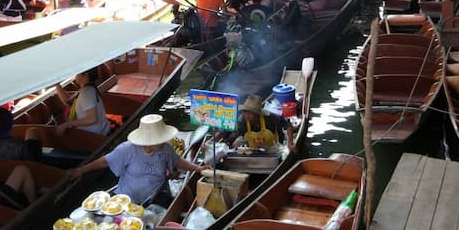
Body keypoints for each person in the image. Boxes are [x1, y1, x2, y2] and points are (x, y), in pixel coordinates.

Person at [69, 114, 208, 205]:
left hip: (155, 197)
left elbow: (177, 161)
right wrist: (82, 170)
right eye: (158, 140)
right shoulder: (127, 149)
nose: (162, 142)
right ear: (148, 141)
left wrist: (198, 168)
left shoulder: (165, 148)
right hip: (127, 199)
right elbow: (105, 161)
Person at [221, 94, 295, 153]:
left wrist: (290, 143)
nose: (247, 115)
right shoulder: (242, 120)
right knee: (237, 143)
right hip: (253, 146)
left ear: (258, 114)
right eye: (245, 112)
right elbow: (226, 129)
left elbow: (288, 125)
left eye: (250, 113)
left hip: (271, 145)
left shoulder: (270, 118)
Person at [55, 68, 110, 136]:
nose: (75, 76)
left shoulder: (86, 93)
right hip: (101, 132)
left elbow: (92, 119)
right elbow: (67, 100)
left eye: (77, 73)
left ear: (85, 75)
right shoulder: (88, 89)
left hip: (95, 136)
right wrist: (57, 84)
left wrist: (66, 124)